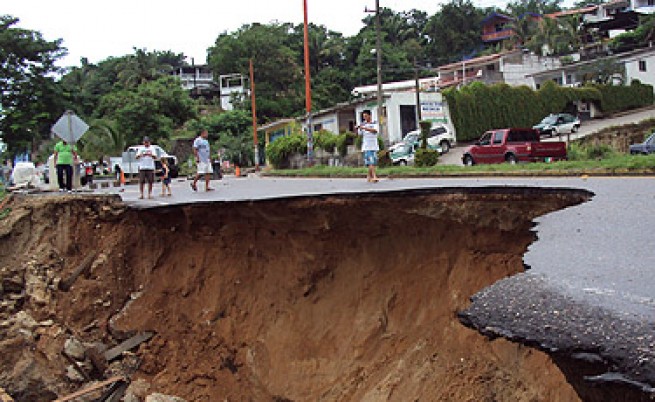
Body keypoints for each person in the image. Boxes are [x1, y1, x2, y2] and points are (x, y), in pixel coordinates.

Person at [356, 109, 380, 183]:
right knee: (371, 161)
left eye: (366, 116)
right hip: (367, 146)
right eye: (364, 116)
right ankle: (374, 176)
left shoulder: (374, 123)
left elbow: (375, 131)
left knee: (373, 162)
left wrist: (363, 128)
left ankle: (369, 176)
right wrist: (358, 128)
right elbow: (359, 134)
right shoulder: (362, 124)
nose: (365, 118)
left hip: (374, 145)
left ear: (370, 115)